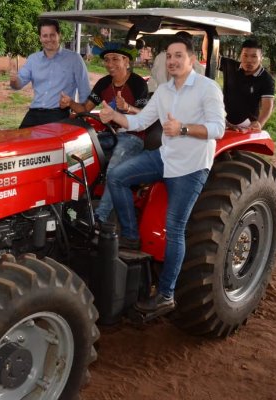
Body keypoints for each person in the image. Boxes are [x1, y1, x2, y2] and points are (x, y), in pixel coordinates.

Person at [99, 35, 225, 314]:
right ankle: (131, 236)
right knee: (117, 175)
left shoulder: (208, 88)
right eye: (169, 56)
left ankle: (166, 294)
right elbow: (140, 121)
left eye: (179, 55)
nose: (172, 61)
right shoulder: (165, 91)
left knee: (174, 229)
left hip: (191, 166)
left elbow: (218, 129)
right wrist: (114, 117)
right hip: (165, 158)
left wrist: (182, 129)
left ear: (192, 59)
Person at [59, 47, 148, 226]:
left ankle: (100, 217)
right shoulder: (104, 83)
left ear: (126, 61)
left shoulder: (138, 83)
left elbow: (145, 116)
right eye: (107, 60)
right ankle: (71, 206)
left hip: (132, 135)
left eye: (115, 59)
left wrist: (127, 108)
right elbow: (85, 109)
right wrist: (70, 103)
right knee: (75, 155)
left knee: (113, 170)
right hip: (110, 133)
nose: (110, 64)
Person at [10, 18, 90, 128]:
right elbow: (18, 85)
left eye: (52, 35)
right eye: (45, 36)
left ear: (59, 35)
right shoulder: (33, 59)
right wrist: (14, 80)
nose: (49, 39)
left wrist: (80, 113)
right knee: (19, 143)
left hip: (59, 114)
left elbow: (84, 91)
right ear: (40, 38)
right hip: (34, 113)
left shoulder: (74, 59)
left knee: (50, 145)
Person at [220, 39, 275, 132]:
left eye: (254, 56)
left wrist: (259, 123)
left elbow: (267, 105)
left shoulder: (266, 79)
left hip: (247, 127)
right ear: (240, 55)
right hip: (223, 123)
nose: (249, 60)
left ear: (261, 57)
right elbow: (208, 54)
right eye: (245, 55)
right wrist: (209, 30)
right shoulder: (229, 66)